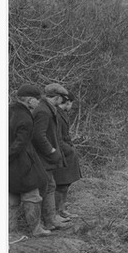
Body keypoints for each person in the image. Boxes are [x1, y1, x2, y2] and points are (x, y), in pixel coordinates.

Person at [9, 84, 51, 238]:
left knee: (11, 198)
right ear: (29, 100)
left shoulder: (9, 110)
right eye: (37, 99)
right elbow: (19, 144)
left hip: (10, 165)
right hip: (22, 162)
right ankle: (35, 229)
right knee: (32, 196)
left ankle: (10, 231)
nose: (38, 103)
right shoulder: (26, 118)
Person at [31, 83, 72, 230]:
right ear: (57, 97)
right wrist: (51, 151)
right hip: (43, 157)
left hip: (45, 157)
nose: (63, 101)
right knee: (48, 187)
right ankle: (49, 221)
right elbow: (38, 135)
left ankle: (51, 219)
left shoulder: (47, 109)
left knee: (50, 186)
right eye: (62, 98)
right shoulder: (43, 111)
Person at [54, 92, 83, 220]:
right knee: (60, 184)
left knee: (65, 184)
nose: (71, 106)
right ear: (68, 102)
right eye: (71, 103)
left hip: (65, 153)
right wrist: (69, 150)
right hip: (61, 154)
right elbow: (58, 138)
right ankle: (57, 212)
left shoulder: (61, 114)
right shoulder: (56, 115)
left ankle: (62, 210)